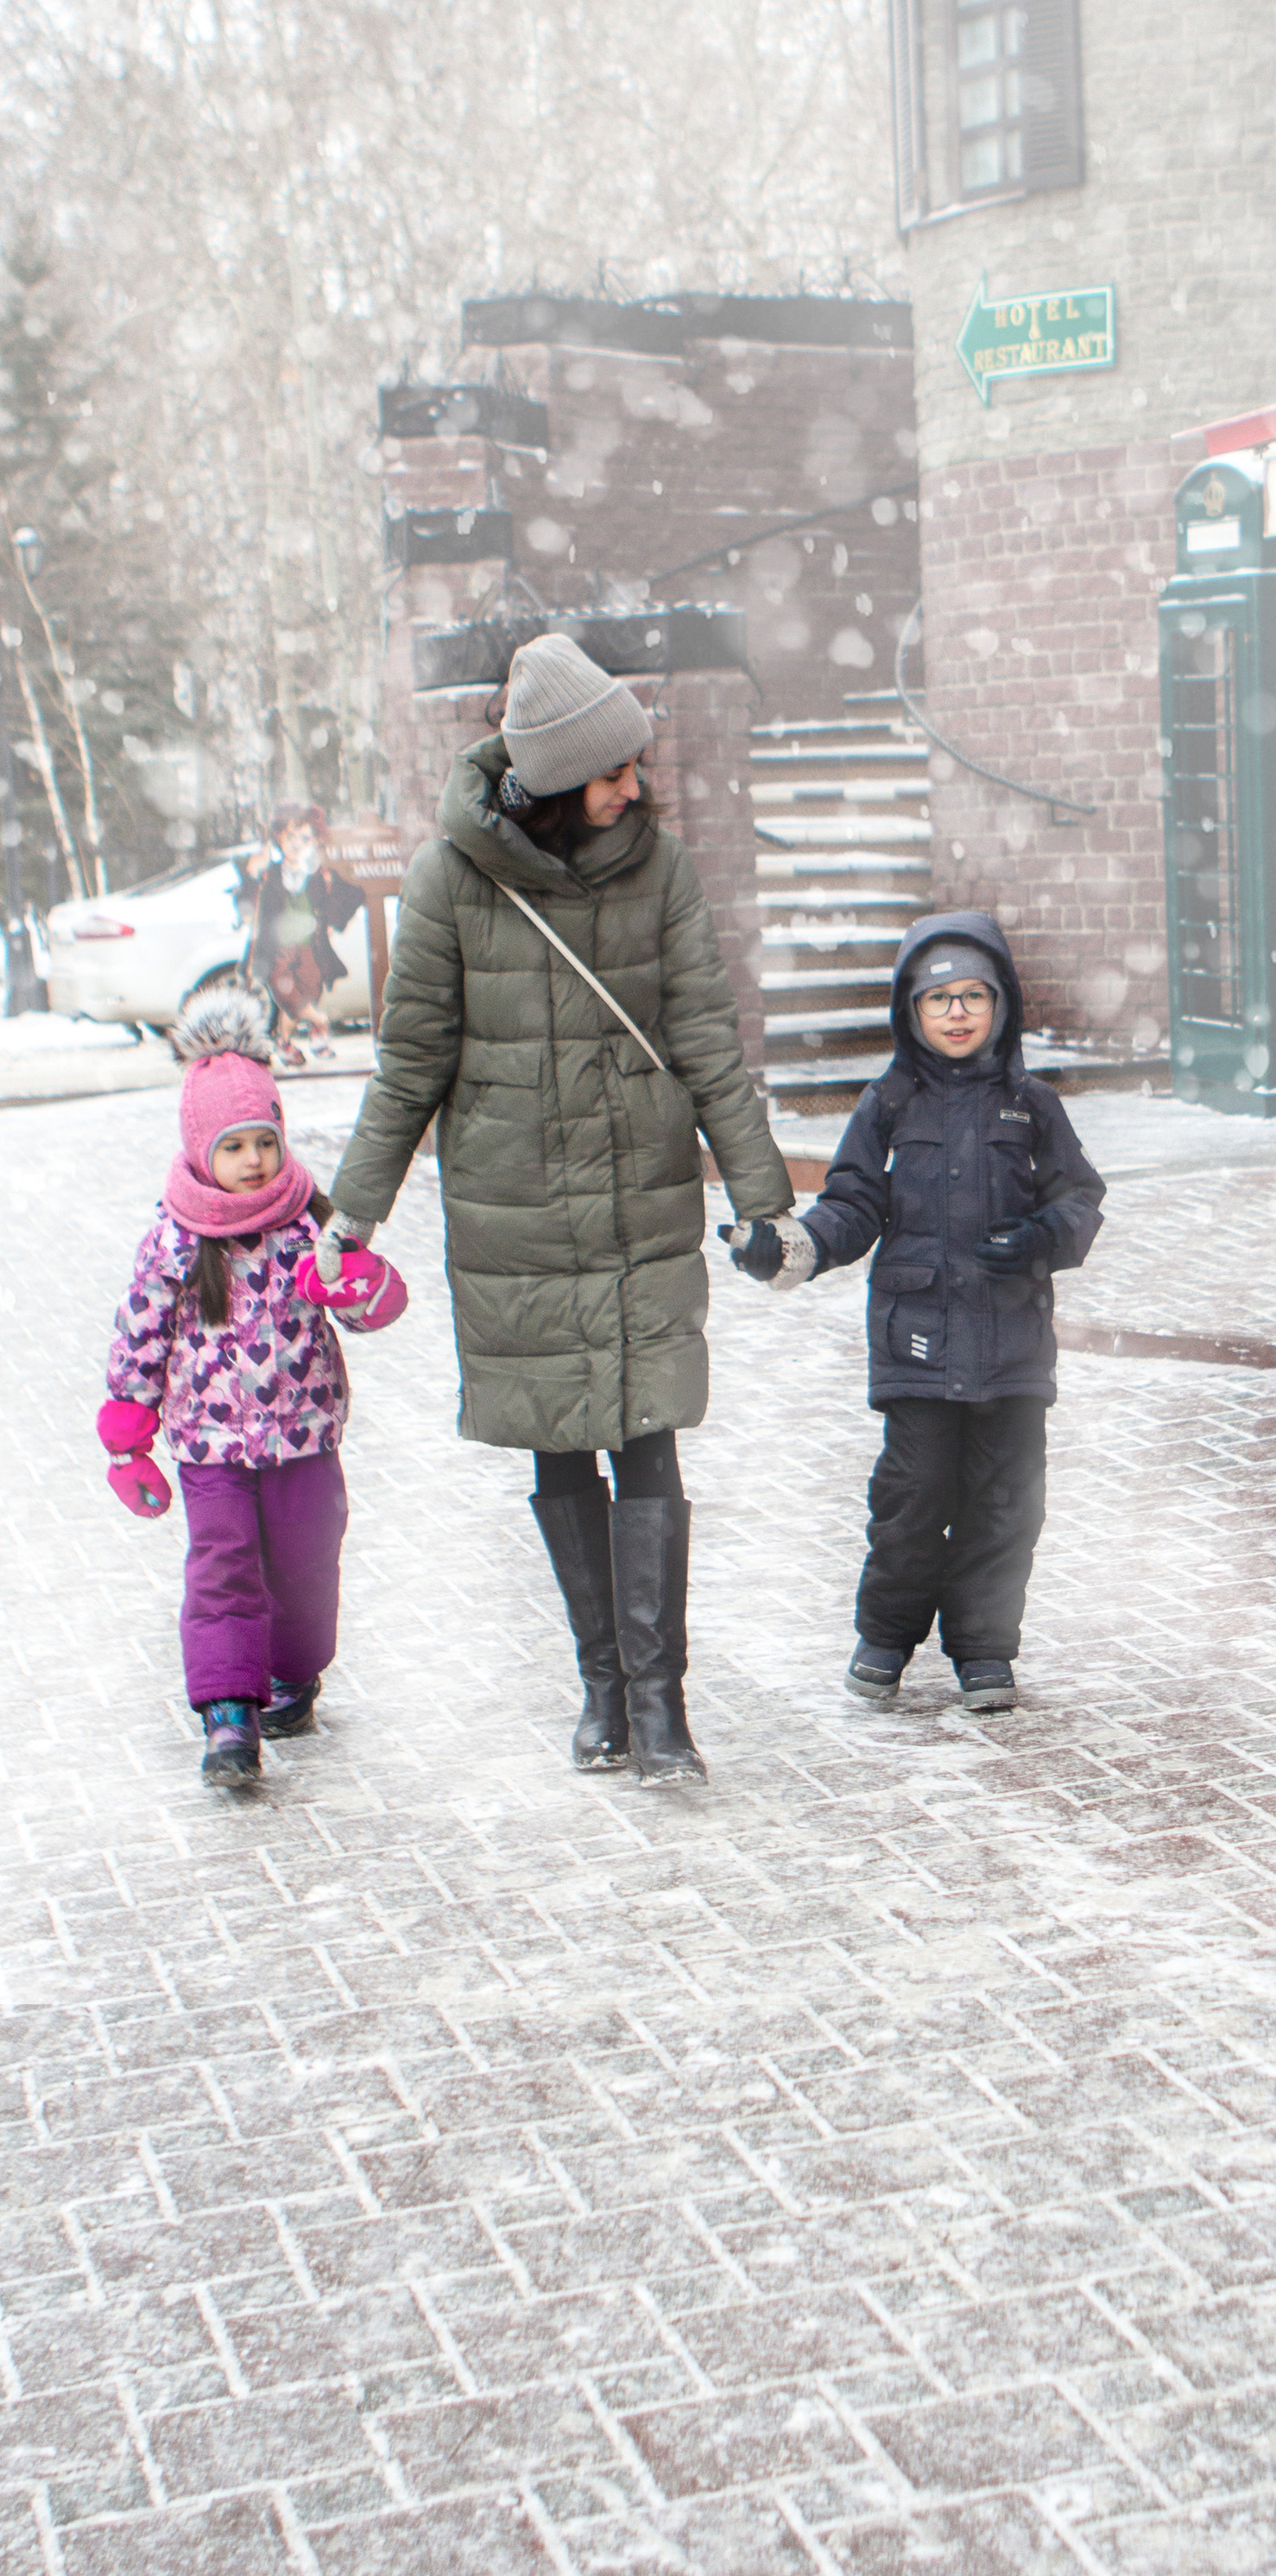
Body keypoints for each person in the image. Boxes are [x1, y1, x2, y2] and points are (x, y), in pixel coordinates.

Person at [325, 631, 795, 1788]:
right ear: (546, 783)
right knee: (558, 1452)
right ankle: (601, 1688)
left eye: (635, 766)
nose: (633, 787)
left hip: (639, 1198)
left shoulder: (663, 868)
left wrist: (760, 1193)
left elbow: (704, 1042)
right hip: (515, 1211)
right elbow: (412, 1063)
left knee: (648, 1440)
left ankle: (662, 1706)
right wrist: (354, 1214)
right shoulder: (449, 881)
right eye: (612, 771)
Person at [732, 911, 1103, 1712]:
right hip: (919, 1345)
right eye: (940, 1001)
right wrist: (793, 1247)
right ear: (911, 1013)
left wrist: (1044, 1234)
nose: (959, 1013)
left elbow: (1080, 1199)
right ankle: (885, 1638)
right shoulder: (890, 1105)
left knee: (1006, 1505)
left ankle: (982, 1650)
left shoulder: (1031, 1106)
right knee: (912, 1499)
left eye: (975, 996)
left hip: (1011, 1346)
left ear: (1001, 1006)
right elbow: (851, 1206)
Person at [98, 990, 407, 1791]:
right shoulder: (175, 1235)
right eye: (234, 1147)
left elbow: (366, 1306)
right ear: (203, 1151)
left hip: (304, 1432)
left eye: (264, 1142)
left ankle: (295, 1675)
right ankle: (228, 1712)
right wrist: (129, 1434)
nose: (254, 1163)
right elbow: (140, 1331)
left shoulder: (309, 1222)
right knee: (223, 1568)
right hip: (210, 1444)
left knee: (307, 1561)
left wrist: (364, 1287)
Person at [239, 804, 368, 1064]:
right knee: (288, 993)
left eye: (305, 838)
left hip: (312, 948)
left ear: (315, 841)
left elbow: (356, 893)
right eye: (290, 837)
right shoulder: (269, 874)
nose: (297, 844)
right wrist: (252, 875)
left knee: (304, 995)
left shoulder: (321, 875)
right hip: (277, 951)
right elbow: (246, 905)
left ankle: (285, 1044)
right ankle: (320, 1025)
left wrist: (332, 920)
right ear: (278, 838)